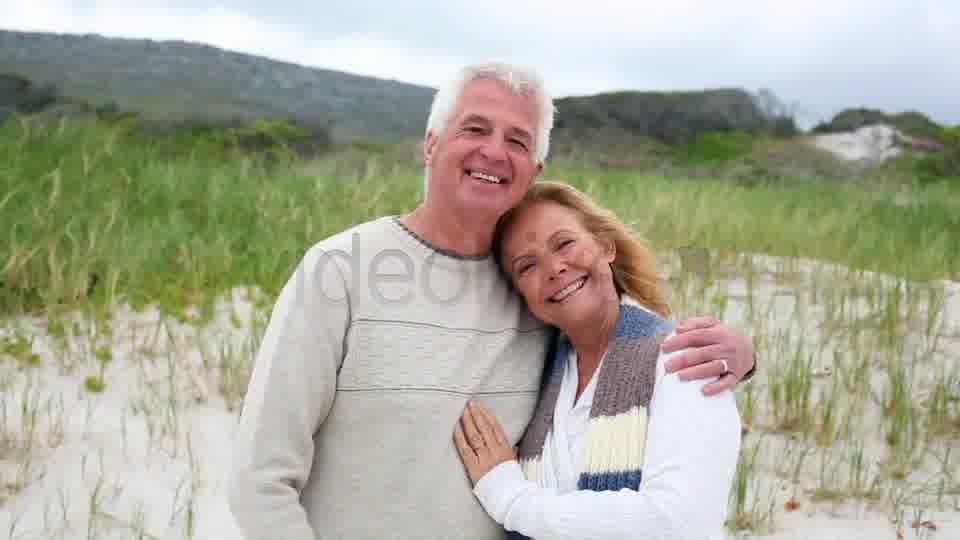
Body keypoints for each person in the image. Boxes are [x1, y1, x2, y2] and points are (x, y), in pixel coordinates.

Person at [227, 62, 754, 540]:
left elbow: (621, 340)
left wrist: (740, 356)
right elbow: (260, 480)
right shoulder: (339, 269)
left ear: (535, 169)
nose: (494, 152)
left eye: (518, 141)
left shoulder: (535, 298)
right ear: (431, 144)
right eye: (475, 129)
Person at [454, 181, 741, 539]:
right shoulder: (541, 374)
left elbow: (678, 523)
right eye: (527, 266)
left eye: (565, 243)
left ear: (606, 246)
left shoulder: (684, 359)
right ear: (521, 294)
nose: (554, 268)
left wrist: (511, 499)